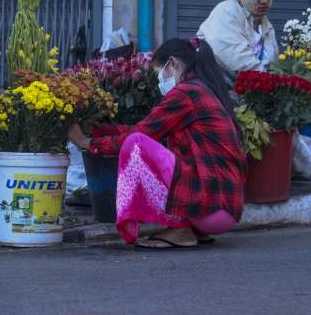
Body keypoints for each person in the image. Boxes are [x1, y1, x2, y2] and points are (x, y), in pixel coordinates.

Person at [67, 38, 246, 249]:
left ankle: (180, 229)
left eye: (158, 72)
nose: (159, 81)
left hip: (211, 207)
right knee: (141, 142)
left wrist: (87, 143)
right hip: (225, 208)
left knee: (136, 145)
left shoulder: (186, 93)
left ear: (172, 64)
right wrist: (98, 130)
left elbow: (140, 135)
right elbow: (148, 128)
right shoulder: (204, 90)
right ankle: (191, 229)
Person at [197, 0, 279, 78]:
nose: (264, 0)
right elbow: (239, 62)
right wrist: (273, 83)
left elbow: (273, 66)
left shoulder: (265, 24)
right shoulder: (226, 12)